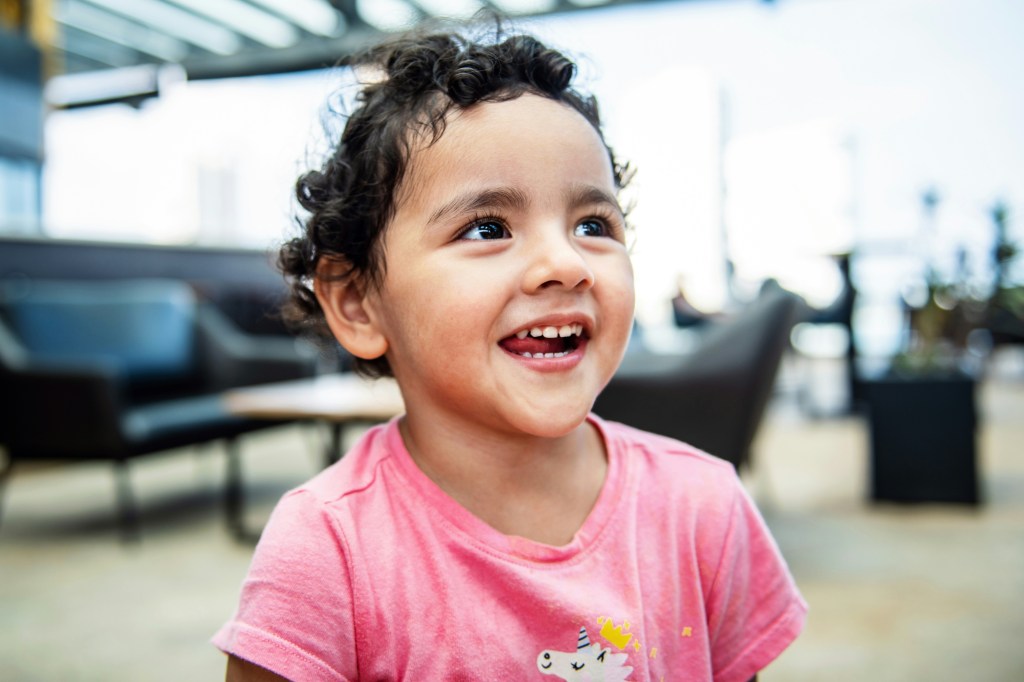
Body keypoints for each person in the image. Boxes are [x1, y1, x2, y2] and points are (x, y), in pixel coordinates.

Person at [213, 20, 806, 682]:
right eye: (487, 228)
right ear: (358, 303)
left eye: (593, 224)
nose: (566, 263)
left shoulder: (704, 507)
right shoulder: (326, 551)